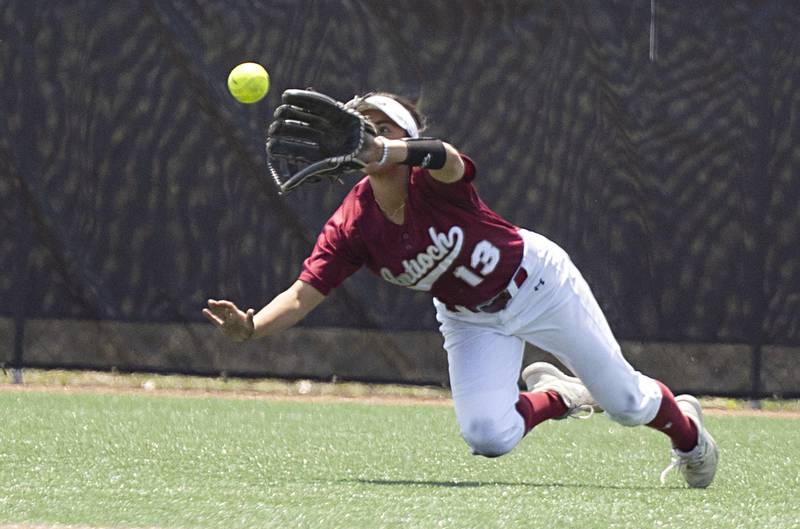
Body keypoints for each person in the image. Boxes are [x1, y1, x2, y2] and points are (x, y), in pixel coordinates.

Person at [203, 91, 718, 488]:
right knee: (488, 437)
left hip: (538, 284)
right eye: (359, 128)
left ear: (404, 138)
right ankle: (560, 396)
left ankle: (692, 439)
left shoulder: (433, 181)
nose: (365, 136)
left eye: (380, 128)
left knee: (627, 403)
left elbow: (448, 157)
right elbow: (302, 294)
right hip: (469, 317)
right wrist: (251, 328)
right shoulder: (353, 224)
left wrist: (384, 146)